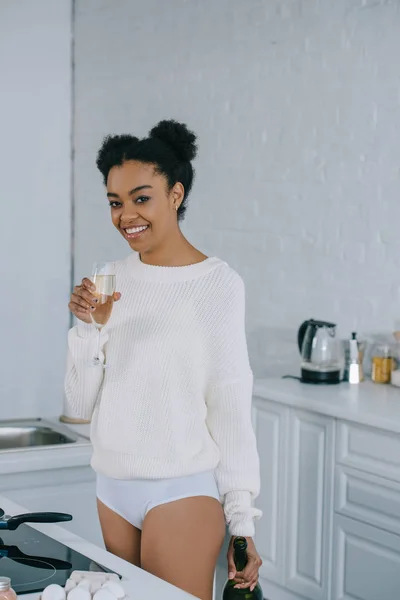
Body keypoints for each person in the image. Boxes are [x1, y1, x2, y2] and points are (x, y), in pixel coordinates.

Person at [64, 119, 262, 600]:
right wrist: (90, 327)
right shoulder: (107, 277)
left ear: (175, 194)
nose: (125, 214)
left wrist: (241, 519)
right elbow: (79, 406)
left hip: (180, 488)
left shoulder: (217, 284)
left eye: (141, 197)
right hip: (111, 484)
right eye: (115, 201)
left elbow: (230, 402)